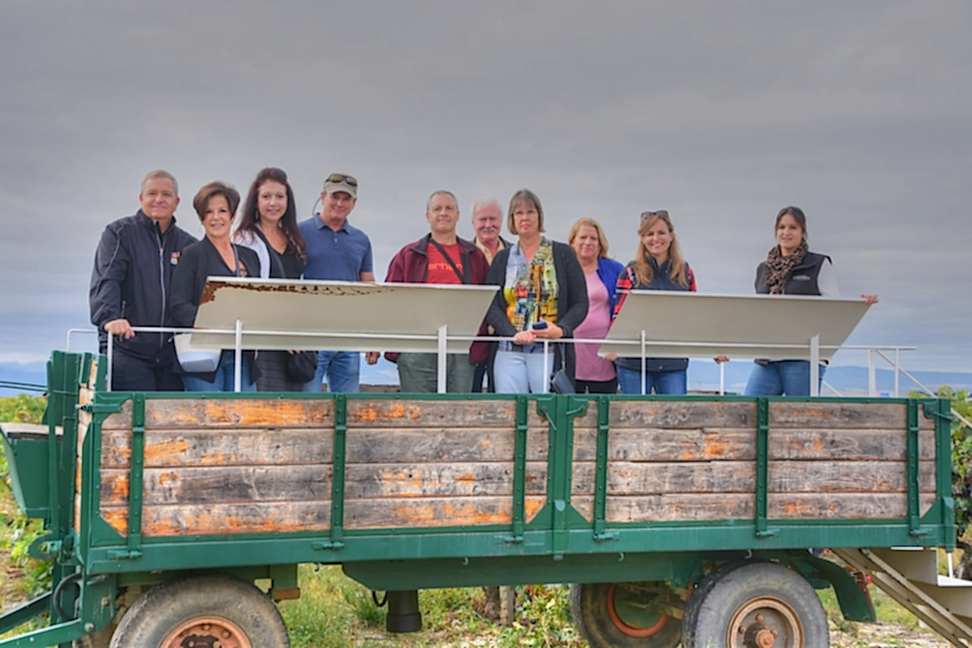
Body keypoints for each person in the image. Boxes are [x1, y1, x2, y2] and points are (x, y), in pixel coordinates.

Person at [743, 206, 878, 396]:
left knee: (800, 420)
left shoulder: (818, 264)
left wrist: (858, 305)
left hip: (804, 357)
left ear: (803, 232)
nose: (786, 232)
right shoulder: (763, 269)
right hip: (768, 358)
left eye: (793, 227)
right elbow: (758, 312)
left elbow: (833, 307)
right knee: (748, 411)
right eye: (782, 227)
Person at [89, 169, 197, 391]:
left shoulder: (188, 245)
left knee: (168, 421)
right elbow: (108, 278)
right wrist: (110, 318)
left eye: (166, 194)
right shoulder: (119, 233)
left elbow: (195, 293)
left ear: (176, 202)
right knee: (134, 419)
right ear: (141, 198)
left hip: (171, 354)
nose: (159, 199)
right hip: (127, 347)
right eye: (152, 193)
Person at [383, 191, 490, 392]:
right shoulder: (409, 255)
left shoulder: (474, 256)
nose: (443, 213)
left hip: (461, 346)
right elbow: (389, 299)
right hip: (417, 346)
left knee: (458, 412)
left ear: (458, 215)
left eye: (449, 208)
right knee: (418, 412)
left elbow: (488, 301)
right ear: (427, 216)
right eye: (437, 209)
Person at [485, 189, 588, 394]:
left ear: (539, 216)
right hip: (509, 351)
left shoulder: (562, 254)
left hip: (549, 351)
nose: (525, 218)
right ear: (512, 220)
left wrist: (561, 330)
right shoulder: (502, 258)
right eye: (519, 213)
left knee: (548, 412)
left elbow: (580, 303)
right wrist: (512, 334)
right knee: (511, 414)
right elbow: (491, 305)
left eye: (530, 212)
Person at [170, 182, 261, 392]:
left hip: (242, 355)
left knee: (244, 418)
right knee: (209, 420)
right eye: (208, 212)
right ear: (201, 217)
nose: (215, 217)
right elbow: (178, 306)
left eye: (222, 210)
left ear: (233, 214)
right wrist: (214, 322)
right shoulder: (191, 254)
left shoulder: (250, 257)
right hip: (202, 357)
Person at [234, 167, 311, 391]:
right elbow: (245, 294)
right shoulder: (244, 238)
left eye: (279, 196)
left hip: (294, 341)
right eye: (266, 196)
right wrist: (277, 336)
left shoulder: (294, 239)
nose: (273, 203)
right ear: (255, 201)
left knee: (295, 415)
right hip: (262, 342)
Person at [299, 173, 376, 393]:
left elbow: (368, 287)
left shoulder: (361, 240)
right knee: (307, 406)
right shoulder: (300, 232)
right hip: (310, 336)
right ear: (323, 197)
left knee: (348, 409)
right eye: (335, 196)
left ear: (354, 203)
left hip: (348, 337)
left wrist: (372, 336)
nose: (339, 203)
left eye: (346, 198)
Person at [614, 210, 697, 395]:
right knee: (634, 420)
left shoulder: (685, 272)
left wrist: (713, 348)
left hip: (673, 362)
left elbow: (693, 315)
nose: (655, 238)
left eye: (661, 232)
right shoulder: (631, 271)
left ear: (671, 236)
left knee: (675, 419)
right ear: (642, 239)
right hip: (634, 362)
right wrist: (615, 347)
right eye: (649, 234)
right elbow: (619, 315)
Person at [568, 218, 624, 394]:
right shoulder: (562, 269)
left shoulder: (614, 269)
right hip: (572, 350)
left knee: (602, 408)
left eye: (593, 238)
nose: (588, 242)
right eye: (583, 237)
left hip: (604, 352)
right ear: (572, 241)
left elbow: (624, 307)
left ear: (600, 243)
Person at [470, 198, 510, 392]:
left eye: (493, 219)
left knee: (502, 395)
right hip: (474, 338)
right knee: (470, 393)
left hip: (505, 338)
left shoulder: (515, 254)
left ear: (501, 221)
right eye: (482, 219)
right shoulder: (464, 254)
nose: (488, 225)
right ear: (473, 222)